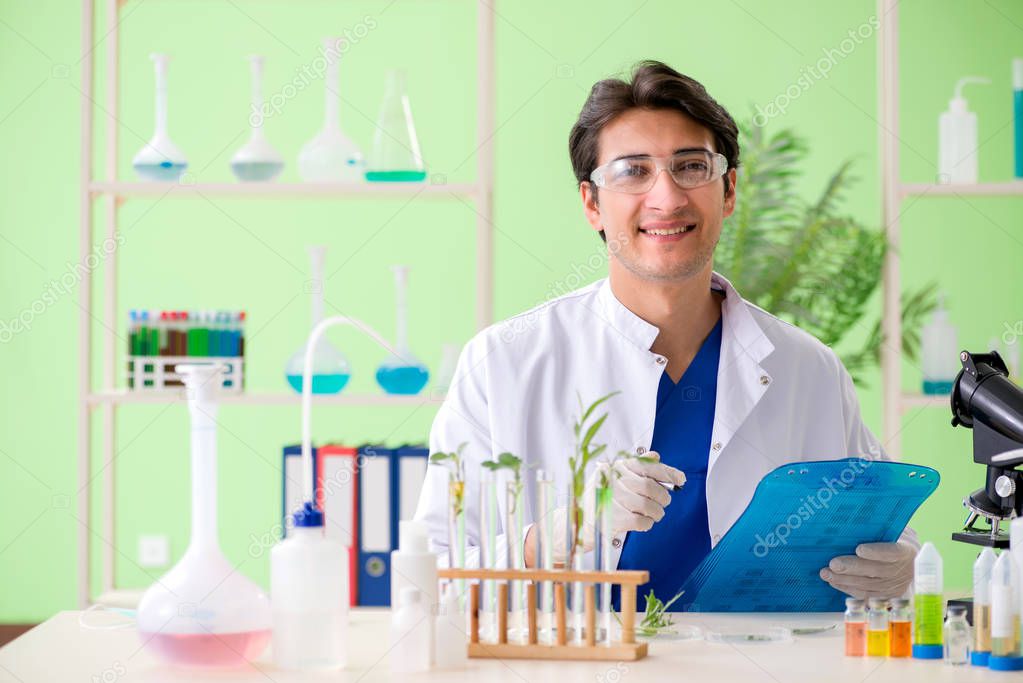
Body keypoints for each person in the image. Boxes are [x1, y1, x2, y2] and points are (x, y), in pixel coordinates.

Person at [413, 60, 916, 606]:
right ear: (591, 204)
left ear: (727, 192)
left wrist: (902, 569)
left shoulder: (808, 369)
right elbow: (431, 579)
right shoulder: (503, 362)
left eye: (691, 167)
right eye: (632, 171)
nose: (667, 197)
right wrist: (554, 536)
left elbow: (877, 521)